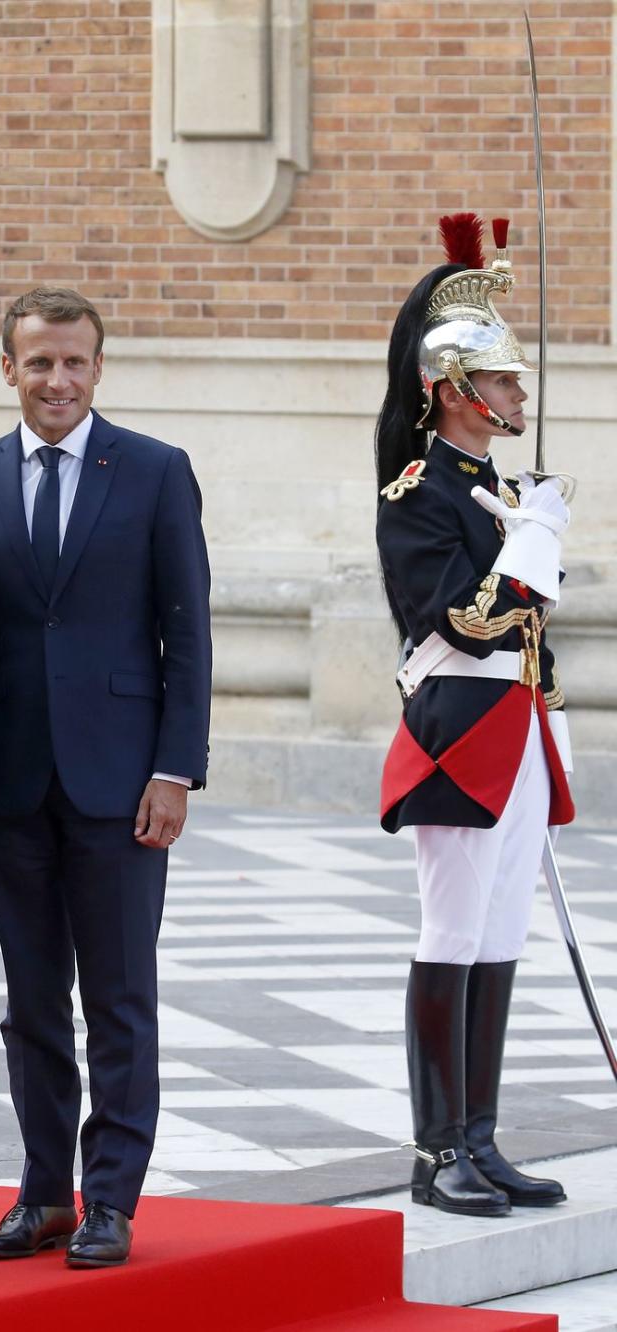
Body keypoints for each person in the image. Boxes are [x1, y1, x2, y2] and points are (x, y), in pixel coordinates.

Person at [0, 287, 211, 1268]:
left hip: (123, 784)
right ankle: (45, 1191)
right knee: (31, 1002)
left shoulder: (154, 473)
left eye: (75, 362)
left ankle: (112, 1200)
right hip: (9, 790)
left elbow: (189, 634)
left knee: (121, 1000)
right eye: (39, 362)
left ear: (99, 367)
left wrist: (175, 768)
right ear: (8, 369)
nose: (58, 379)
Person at [375, 215, 575, 1218]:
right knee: (452, 929)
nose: (518, 395)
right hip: (460, 722)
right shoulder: (420, 491)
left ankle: (481, 1138)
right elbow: (468, 617)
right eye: (503, 382)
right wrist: (532, 549)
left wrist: (529, 528)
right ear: (456, 392)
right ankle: (434, 1147)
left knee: (500, 931)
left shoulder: (497, 486)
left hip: (521, 728)